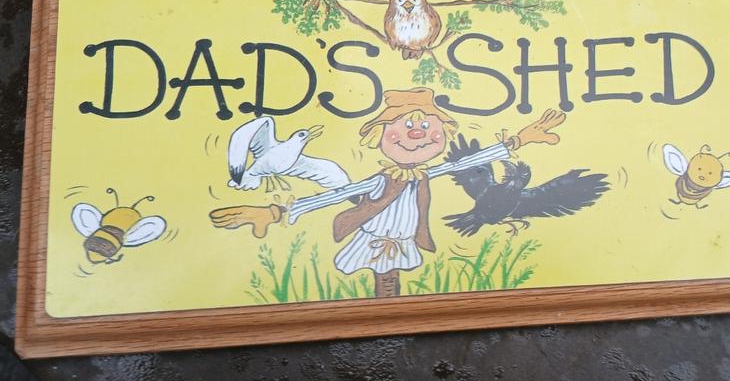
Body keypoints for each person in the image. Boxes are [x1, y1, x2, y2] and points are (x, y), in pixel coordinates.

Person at [210, 87, 565, 297]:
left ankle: (389, 311)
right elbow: (335, 195)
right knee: (382, 280)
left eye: (426, 126)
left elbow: (463, 163)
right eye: (407, 125)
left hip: (402, 240)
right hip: (374, 238)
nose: (417, 133)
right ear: (378, 135)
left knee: (391, 281)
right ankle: (379, 314)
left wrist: (518, 141)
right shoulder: (383, 179)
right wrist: (275, 212)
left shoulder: (423, 175)